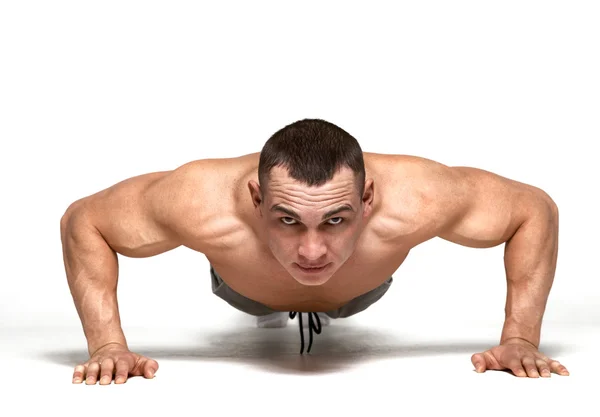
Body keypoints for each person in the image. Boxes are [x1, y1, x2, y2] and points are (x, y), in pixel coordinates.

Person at [60, 118, 570, 385]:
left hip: (362, 288)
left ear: (367, 200)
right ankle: (266, 306)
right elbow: (85, 220)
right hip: (243, 288)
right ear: (255, 199)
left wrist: (520, 337)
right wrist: (108, 347)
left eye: (335, 220)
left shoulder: (421, 196)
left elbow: (534, 210)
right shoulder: (198, 202)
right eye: (286, 220)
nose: (311, 250)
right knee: (259, 306)